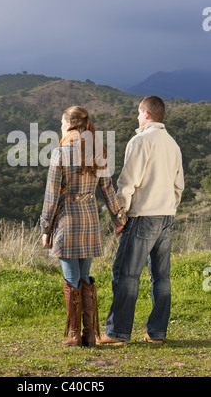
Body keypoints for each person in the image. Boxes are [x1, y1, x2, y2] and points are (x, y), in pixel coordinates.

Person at [98, 95, 184, 346]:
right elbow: (179, 186)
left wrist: (119, 214)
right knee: (161, 277)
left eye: (138, 113)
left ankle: (117, 333)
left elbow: (128, 182)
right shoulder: (173, 145)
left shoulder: (140, 140)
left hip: (142, 216)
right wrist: (170, 208)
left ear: (146, 114)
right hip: (167, 216)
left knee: (126, 274)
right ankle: (157, 332)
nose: (137, 117)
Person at [40, 106, 126, 347]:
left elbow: (51, 196)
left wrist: (46, 228)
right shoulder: (98, 151)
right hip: (90, 222)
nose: (60, 126)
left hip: (67, 222)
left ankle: (75, 335)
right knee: (85, 277)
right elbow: (107, 190)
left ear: (69, 124)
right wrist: (119, 220)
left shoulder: (61, 152)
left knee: (72, 279)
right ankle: (90, 335)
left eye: (61, 122)